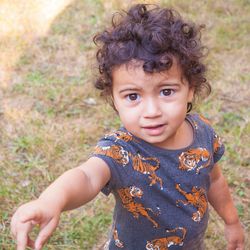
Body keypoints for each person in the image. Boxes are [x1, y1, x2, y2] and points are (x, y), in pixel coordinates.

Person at [11, 4, 245, 250]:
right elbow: (87, 177)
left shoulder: (203, 133)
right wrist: (50, 201)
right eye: (133, 96)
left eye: (166, 91)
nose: (152, 111)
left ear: (191, 90)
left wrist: (232, 222)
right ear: (114, 100)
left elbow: (215, 180)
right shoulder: (120, 151)